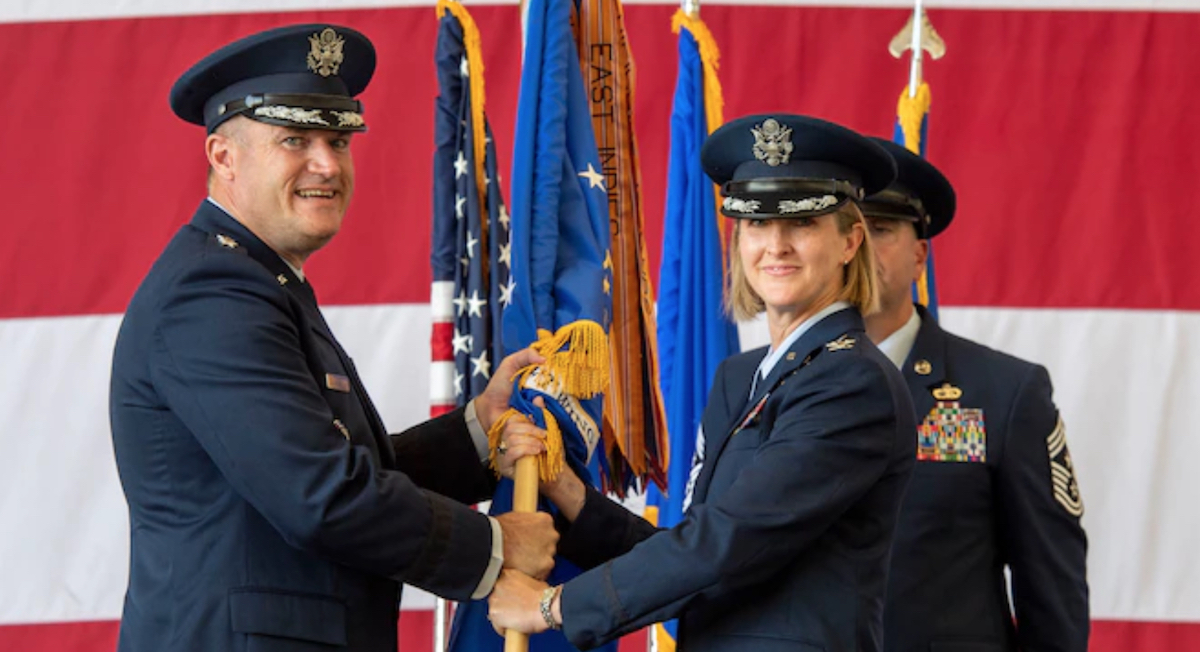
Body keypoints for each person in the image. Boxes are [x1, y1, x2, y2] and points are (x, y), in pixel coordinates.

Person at [109, 24, 557, 652]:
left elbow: (337, 467)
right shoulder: (211, 295)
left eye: (337, 140)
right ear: (223, 156)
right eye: (294, 138)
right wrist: (497, 547)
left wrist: (474, 434)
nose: (325, 163)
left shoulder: (255, 279)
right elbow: (318, 495)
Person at [486, 114, 918, 651]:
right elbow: (688, 549)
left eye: (801, 224)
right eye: (757, 223)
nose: (775, 246)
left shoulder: (852, 382)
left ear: (850, 241)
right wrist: (567, 491)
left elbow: (726, 544)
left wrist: (552, 607)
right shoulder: (743, 377)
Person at [857, 138, 1089, 651]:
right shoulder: (760, 385)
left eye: (881, 229)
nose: (862, 249)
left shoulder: (1004, 392)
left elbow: (1052, 589)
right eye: (848, 232)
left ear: (920, 257)